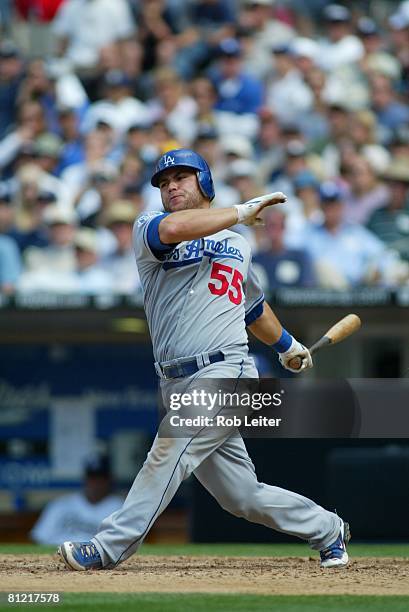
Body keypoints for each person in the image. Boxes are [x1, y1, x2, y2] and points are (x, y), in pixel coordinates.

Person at [57, 148, 350, 571]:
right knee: (241, 496)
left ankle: (107, 547)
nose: (171, 186)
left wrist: (287, 346)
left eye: (182, 177)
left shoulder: (238, 243)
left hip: (227, 371)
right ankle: (328, 528)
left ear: (205, 183)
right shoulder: (150, 227)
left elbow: (252, 307)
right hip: (175, 378)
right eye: (164, 182)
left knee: (169, 447)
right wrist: (240, 210)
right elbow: (177, 227)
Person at [31, 454, 122, 545]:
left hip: (95, 557)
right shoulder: (60, 505)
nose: (96, 483)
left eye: (101, 478)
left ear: (110, 480)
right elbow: (38, 538)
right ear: (85, 479)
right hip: (55, 554)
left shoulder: (120, 508)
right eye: (92, 478)